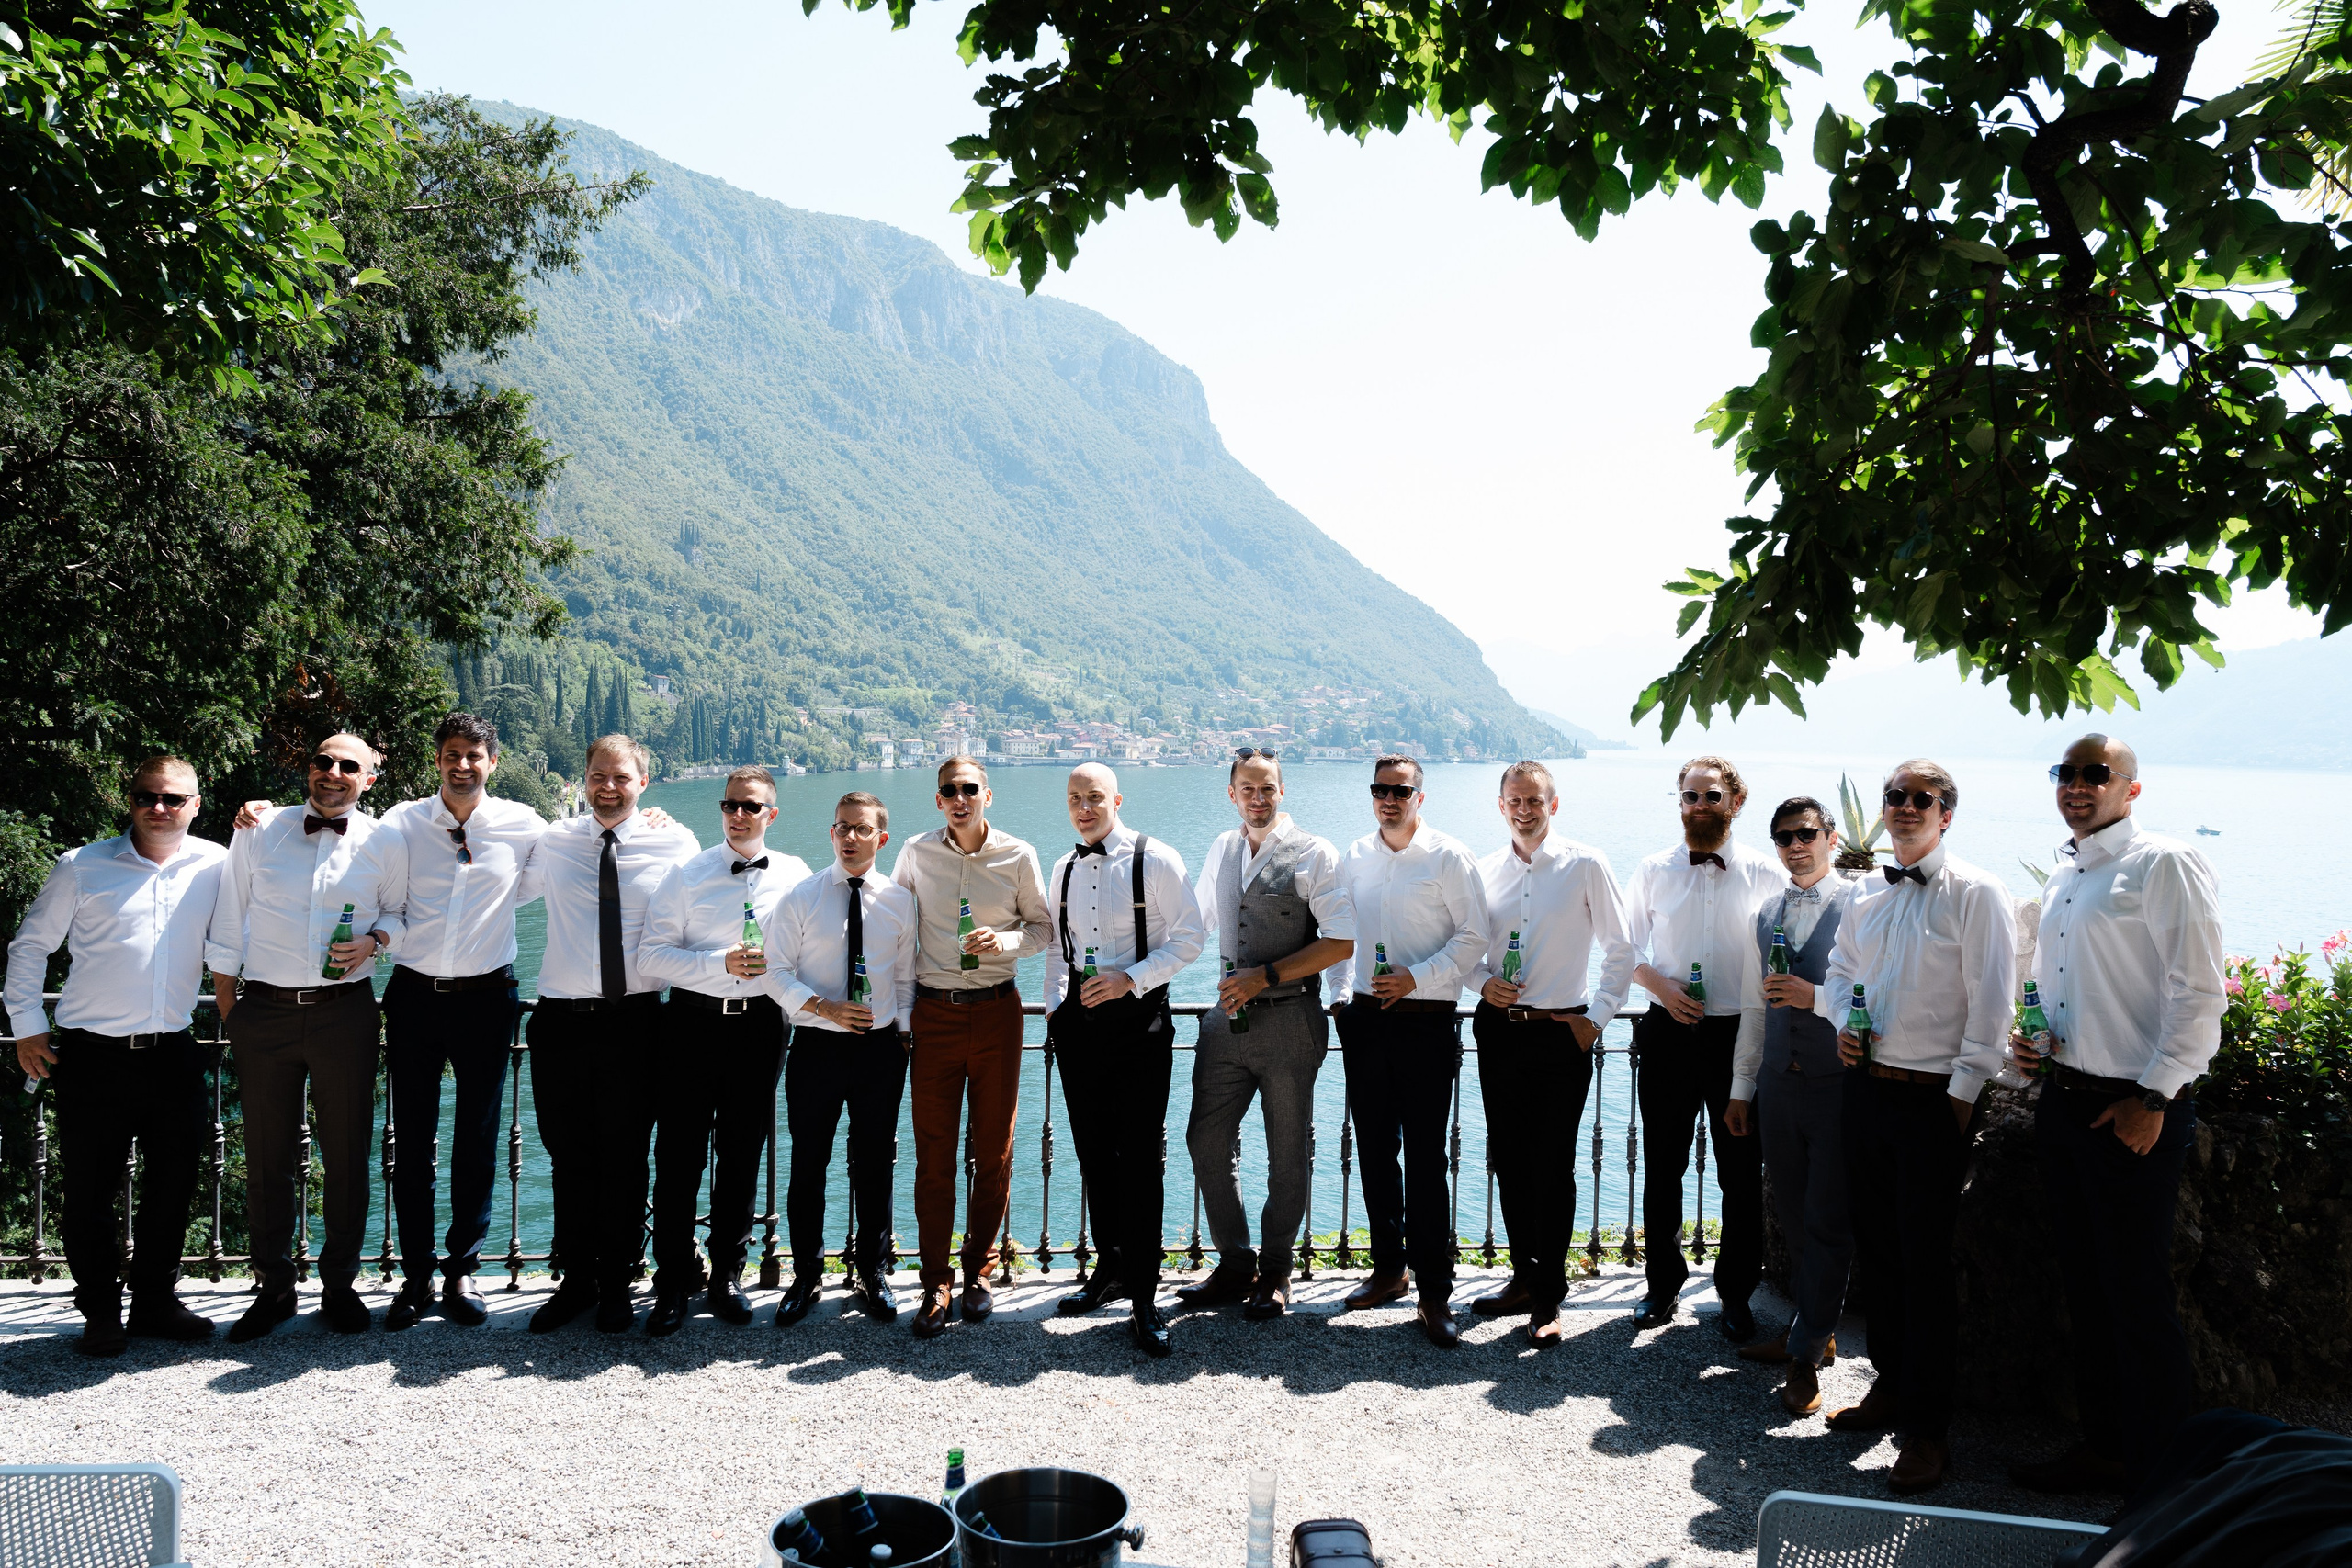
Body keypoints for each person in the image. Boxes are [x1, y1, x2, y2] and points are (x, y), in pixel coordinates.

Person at [2008, 735, 2223, 1493]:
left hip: (2134, 1111)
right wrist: (2031, 1044)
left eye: (2095, 773)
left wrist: (2157, 1096)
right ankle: (2107, 1447)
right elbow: (2067, 988)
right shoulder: (2070, 873)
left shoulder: (2161, 863)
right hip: (2065, 1102)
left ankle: (2163, 1477)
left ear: (2131, 789)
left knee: (2137, 1299)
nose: (2077, 784)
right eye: (2065, 772)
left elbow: (2200, 995)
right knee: (2088, 1293)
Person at [1819, 759, 2016, 1495]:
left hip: (1936, 1101)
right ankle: (1892, 1388)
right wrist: (1843, 1022)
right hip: (1866, 1091)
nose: (1904, 807)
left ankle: (1930, 1432)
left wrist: (1959, 1102)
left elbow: (1993, 1007)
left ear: (1946, 813)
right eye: (1895, 796)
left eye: (1920, 798)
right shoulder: (1867, 891)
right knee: (1880, 1255)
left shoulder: (1977, 891)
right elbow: (1840, 974)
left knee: (1927, 1268)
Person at [6, 757, 228, 1356]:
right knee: (88, 1190)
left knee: (175, 1184)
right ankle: (100, 1310)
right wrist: (28, 1028)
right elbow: (30, 947)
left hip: (173, 1052)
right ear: (129, 800)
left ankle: (154, 1301)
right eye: (147, 796)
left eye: (173, 798)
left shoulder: (218, 864)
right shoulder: (81, 867)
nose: (159, 807)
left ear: (196, 804)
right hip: (92, 1056)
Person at [208, 733, 409, 1341]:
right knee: (267, 1155)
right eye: (324, 761)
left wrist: (375, 942)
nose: (333, 772)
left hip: (344, 1011)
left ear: (368, 780)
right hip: (262, 1012)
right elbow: (227, 916)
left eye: (350, 766)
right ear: (308, 767)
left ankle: (340, 1285)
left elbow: (400, 914)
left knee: (347, 1152)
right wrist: (229, 1010)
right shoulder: (257, 829)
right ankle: (272, 1287)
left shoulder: (385, 840)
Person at [517, 733, 699, 1334]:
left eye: (622, 776)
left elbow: (710, 913)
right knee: (568, 1157)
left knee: (624, 1159)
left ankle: (620, 1282)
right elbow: (483, 870)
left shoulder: (674, 841)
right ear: (585, 777)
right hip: (560, 1023)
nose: (609, 785)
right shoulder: (553, 839)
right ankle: (577, 1281)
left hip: (636, 1023)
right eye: (599, 774)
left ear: (644, 782)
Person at [371, 714, 546, 1331]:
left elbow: (555, 868)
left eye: (474, 754)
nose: (462, 764)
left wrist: (652, 819)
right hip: (414, 994)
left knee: (477, 1137)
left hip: (486, 998)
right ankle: (417, 1273)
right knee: (411, 1139)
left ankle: (462, 1268)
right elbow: (376, 886)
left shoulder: (524, 824)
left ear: (491, 761)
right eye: (451, 754)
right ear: (437, 759)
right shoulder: (402, 821)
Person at [1176, 748, 1355, 1321]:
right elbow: (1194, 922)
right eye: (1247, 788)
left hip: (1290, 1020)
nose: (1258, 797)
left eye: (1268, 788)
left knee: (1286, 1152)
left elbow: (1342, 941)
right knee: (1204, 1139)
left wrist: (1268, 975)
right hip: (1225, 1022)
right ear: (1232, 793)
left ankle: (1275, 1270)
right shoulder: (1222, 849)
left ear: (1283, 791)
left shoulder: (1314, 854)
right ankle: (1235, 1263)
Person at [636, 765, 812, 1336]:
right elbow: (650, 957)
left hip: (762, 1028)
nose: (739, 815)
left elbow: (813, 949)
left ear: (771, 815)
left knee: (741, 1154)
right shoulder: (687, 874)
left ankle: (726, 1277)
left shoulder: (796, 874)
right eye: (731, 805)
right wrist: (719, 964)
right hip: (690, 1024)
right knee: (679, 1158)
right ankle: (672, 1282)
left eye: (751, 807)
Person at [1464, 760, 1634, 1347]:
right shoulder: (1483, 872)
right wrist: (1482, 983)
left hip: (1563, 1033)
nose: (1524, 808)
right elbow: (1464, 949)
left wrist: (1596, 1019)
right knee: (1509, 1160)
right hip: (1500, 1030)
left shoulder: (1586, 864)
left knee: (1553, 1164)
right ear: (1502, 805)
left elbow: (1622, 948)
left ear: (1553, 805)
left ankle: (1549, 1295)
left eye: (1535, 800)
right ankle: (1521, 1276)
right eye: (1514, 799)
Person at [889, 755, 1052, 1338]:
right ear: (938, 800)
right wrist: (899, 1010)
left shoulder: (1018, 854)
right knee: (933, 1152)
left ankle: (979, 1270)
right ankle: (935, 1280)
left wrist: (1003, 940)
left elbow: (1042, 929)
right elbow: (895, 925)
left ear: (989, 795)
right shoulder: (914, 852)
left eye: (969, 790)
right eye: (948, 791)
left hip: (996, 1013)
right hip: (934, 1013)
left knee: (995, 1148)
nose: (959, 799)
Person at [1046, 762, 1205, 1358]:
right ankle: (1109, 1269)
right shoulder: (1061, 867)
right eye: (1074, 799)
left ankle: (1144, 1293)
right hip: (1078, 1030)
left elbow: (1190, 936)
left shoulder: (1154, 858)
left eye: (1093, 797)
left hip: (1140, 1024)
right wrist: (1056, 1012)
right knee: (1092, 1152)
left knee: (1139, 1159)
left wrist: (1130, 978)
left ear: (1116, 798)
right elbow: (1058, 950)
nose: (1084, 807)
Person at [1331, 754, 1488, 1347]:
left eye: (1401, 790)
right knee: (1374, 1151)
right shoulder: (1354, 857)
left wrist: (1416, 978)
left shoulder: (1450, 856)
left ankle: (1435, 1293)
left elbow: (1476, 936)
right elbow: (1338, 934)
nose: (1389, 799)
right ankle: (1388, 1271)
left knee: (1425, 1159)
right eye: (1380, 790)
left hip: (1427, 1022)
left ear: (1420, 797)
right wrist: (1341, 998)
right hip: (1366, 1022)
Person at [1621, 754, 1780, 1338]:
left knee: (1740, 1172)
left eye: (1711, 796)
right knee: (1662, 1165)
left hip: (1740, 1036)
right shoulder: (1654, 869)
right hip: (1668, 1033)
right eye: (1690, 796)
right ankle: (1661, 1287)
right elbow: (1624, 949)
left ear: (1735, 802)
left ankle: (1734, 1294)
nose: (1699, 807)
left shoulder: (1767, 873)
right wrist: (1660, 987)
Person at [765, 791, 918, 1326]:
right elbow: (774, 971)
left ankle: (872, 1272)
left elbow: (902, 978)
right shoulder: (801, 897)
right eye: (841, 828)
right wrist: (822, 1007)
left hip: (879, 1050)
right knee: (809, 1163)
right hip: (816, 1047)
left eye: (861, 829)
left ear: (881, 837)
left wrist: (901, 1034)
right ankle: (806, 1276)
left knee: (874, 1162)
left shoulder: (900, 901)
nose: (850, 837)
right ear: (832, 835)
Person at [1728, 795, 1860, 1413]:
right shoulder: (1764, 913)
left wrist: (1817, 998)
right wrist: (1742, 1088)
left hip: (1837, 1085)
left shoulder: (1862, 904)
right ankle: (1813, 1328)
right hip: (1779, 1082)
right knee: (1794, 1212)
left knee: (1830, 1219)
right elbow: (1757, 1008)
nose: (1794, 845)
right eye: (1783, 836)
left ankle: (1805, 1358)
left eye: (1806, 833)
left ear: (1830, 837)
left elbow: (1871, 996)